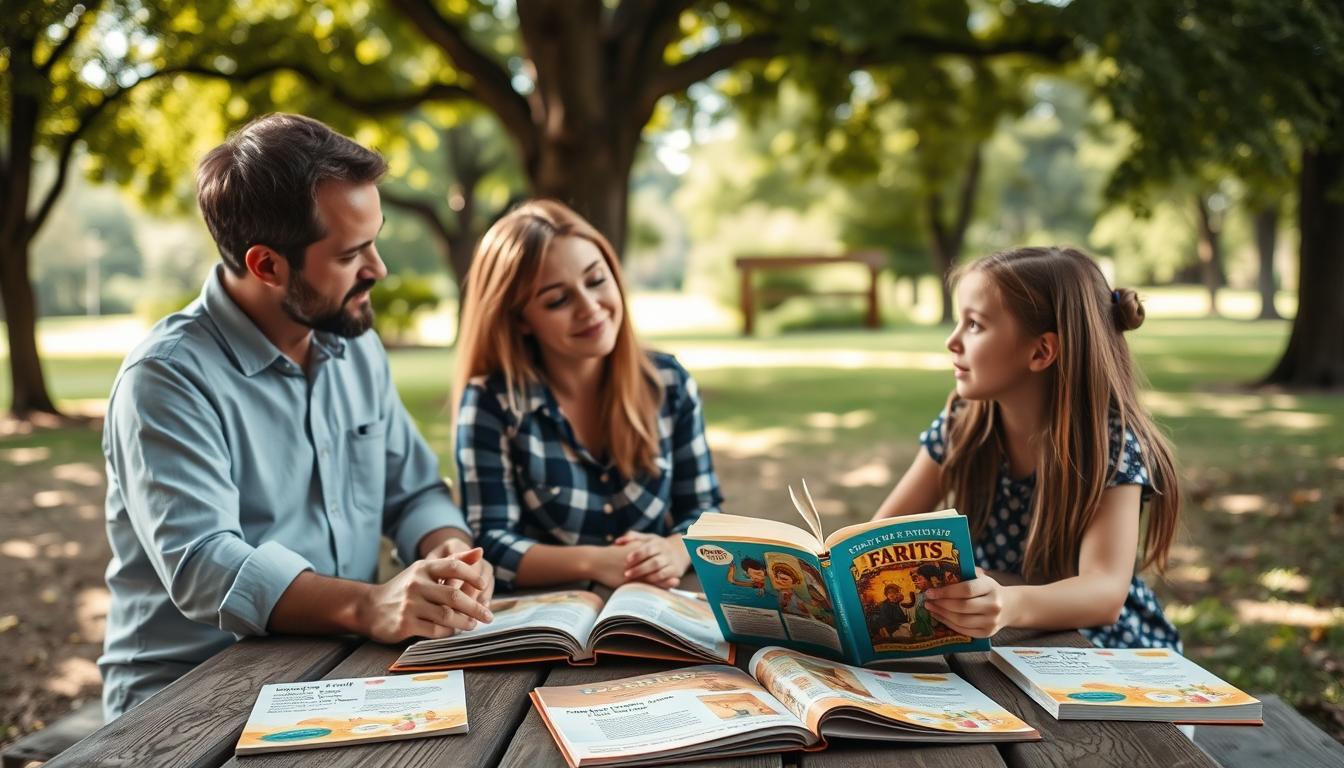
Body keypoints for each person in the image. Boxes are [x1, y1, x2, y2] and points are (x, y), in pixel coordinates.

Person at [99, 114, 494, 720]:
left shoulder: (354, 342)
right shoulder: (165, 378)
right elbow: (206, 562)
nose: (379, 269)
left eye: (376, 240)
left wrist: (452, 558)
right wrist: (370, 605)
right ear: (267, 266)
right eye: (352, 253)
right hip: (189, 703)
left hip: (342, 675)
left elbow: (413, 489)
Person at [872, 246, 1182, 651]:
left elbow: (1104, 592)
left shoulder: (1111, 445)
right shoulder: (961, 426)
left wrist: (1007, 604)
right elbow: (879, 536)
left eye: (975, 326)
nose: (952, 342)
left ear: (1040, 351)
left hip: (1106, 651)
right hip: (999, 641)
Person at [453, 200, 722, 590]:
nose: (590, 308)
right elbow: (490, 543)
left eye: (596, 280)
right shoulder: (491, 402)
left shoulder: (669, 383)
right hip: (548, 623)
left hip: (656, 614)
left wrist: (674, 551)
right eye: (558, 300)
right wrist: (596, 562)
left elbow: (704, 512)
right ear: (520, 319)